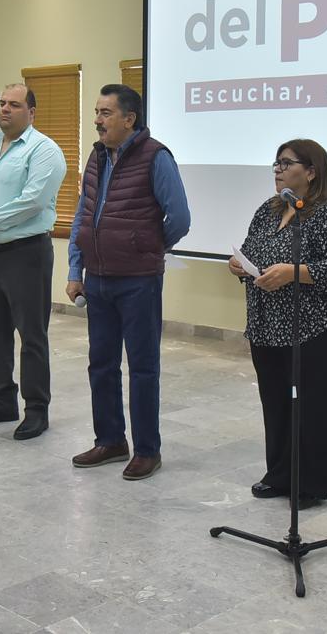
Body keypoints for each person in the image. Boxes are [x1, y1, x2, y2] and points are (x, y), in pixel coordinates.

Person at [66, 84, 190, 481]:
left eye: (105, 113)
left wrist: (146, 247)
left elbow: (180, 218)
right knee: (101, 365)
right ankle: (110, 440)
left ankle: (147, 450)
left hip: (138, 281)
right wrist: (75, 270)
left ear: (129, 118)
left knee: (142, 368)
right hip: (98, 279)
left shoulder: (156, 157)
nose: (97, 120)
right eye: (97, 112)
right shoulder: (97, 156)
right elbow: (83, 216)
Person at [228, 139, 327, 505]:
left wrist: (293, 272)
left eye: (286, 163)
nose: (278, 170)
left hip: (317, 328)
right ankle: (280, 475)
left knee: (314, 407)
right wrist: (239, 264)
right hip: (268, 325)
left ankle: (312, 484)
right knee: (277, 403)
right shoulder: (268, 210)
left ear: (311, 172)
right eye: (276, 163)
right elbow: (251, 251)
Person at [0, 84, 67, 440]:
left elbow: (33, 201)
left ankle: (36, 410)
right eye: (2, 103)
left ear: (31, 112)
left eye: (14, 105)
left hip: (27, 254)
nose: (5, 109)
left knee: (31, 335)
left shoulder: (44, 150)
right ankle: (2, 400)